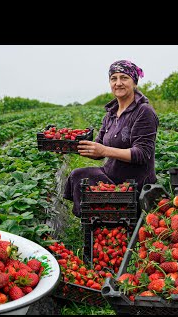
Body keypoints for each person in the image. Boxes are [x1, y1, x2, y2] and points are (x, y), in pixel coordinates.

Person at [64, 59, 159, 217]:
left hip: (135, 182)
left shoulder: (144, 112)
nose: (118, 83)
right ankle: (92, 220)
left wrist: (104, 150)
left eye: (124, 78)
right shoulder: (110, 114)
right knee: (78, 175)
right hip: (110, 175)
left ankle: (111, 217)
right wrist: (72, 147)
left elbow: (142, 153)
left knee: (91, 185)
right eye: (114, 78)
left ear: (134, 82)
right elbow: (98, 149)